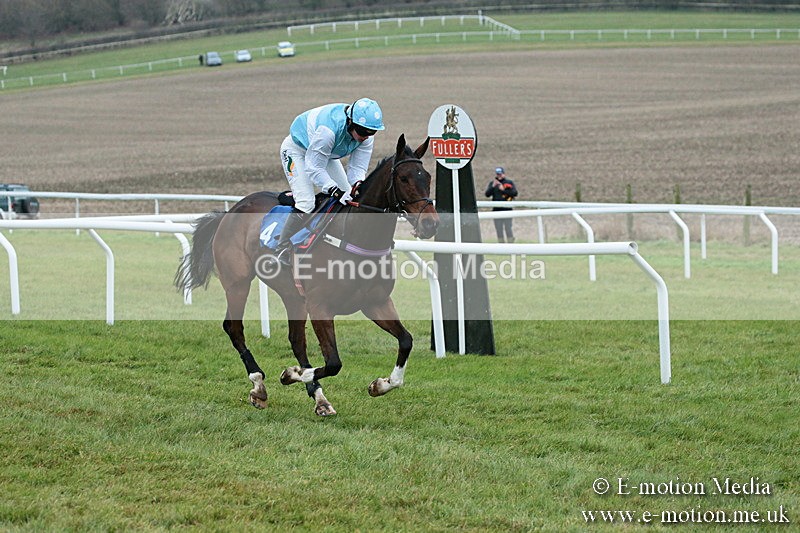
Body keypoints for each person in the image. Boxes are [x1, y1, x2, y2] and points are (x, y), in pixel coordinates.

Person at [271, 97, 385, 266]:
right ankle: (281, 248)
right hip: (297, 151)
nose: (366, 137)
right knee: (306, 202)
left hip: (326, 153)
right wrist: (333, 190)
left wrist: (358, 184)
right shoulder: (328, 132)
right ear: (350, 123)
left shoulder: (366, 136)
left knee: (349, 196)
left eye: (371, 132)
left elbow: (357, 169)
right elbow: (313, 167)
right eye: (362, 131)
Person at [485, 166, 518, 243]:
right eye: (497, 174)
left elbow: (514, 193)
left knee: (508, 228)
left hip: (507, 209)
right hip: (496, 210)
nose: (499, 176)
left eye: (500, 174)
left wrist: (503, 190)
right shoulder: (493, 184)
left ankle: (510, 242)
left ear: (503, 174)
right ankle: (501, 243)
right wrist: (493, 187)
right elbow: (487, 194)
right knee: (498, 228)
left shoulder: (509, 183)